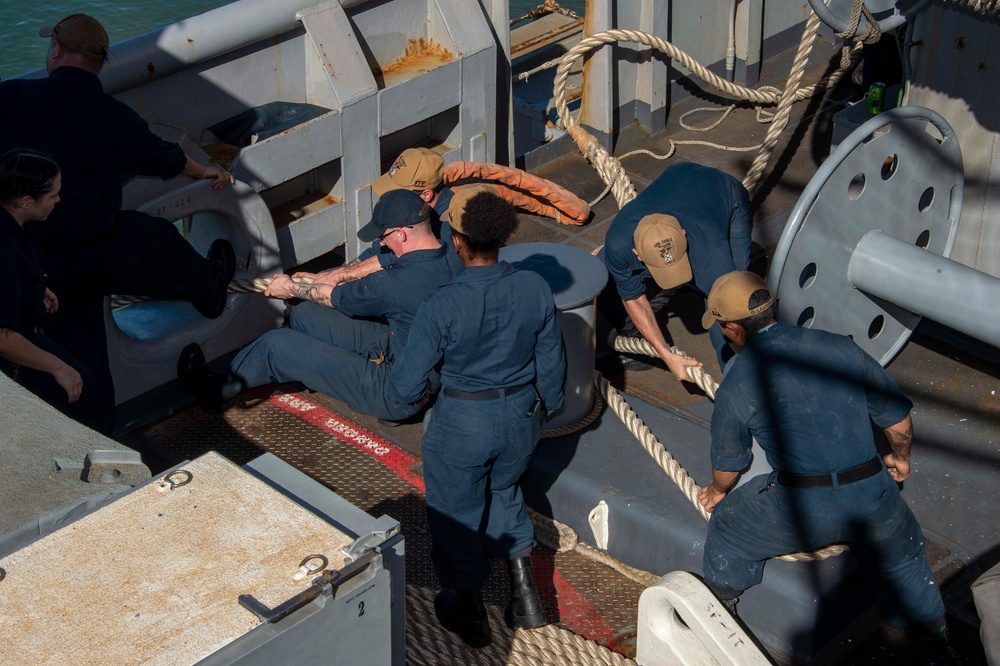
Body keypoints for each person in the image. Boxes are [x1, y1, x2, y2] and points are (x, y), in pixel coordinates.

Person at [697, 271, 952, 665]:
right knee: (905, 556)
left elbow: (730, 465)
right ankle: (934, 641)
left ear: (731, 327)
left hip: (800, 507)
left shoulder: (740, 381)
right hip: (871, 495)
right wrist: (899, 459)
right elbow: (897, 422)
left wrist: (715, 493)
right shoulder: (840, 348)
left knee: (729, 528)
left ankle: (720, 607)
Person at [0, 13, 237, 407]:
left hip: (34, 263)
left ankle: (81, 432)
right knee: (156, 240)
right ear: (101, 63)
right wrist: (206, 169)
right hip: (97, 255)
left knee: (72, 355)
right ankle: (209, 290)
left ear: (56, 50)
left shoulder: (12, 99)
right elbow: (166, 159)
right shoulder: (116, 118)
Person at [388, 187, 566, 648]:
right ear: (502, 238)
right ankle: (526, 597)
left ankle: (468, 613)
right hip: (521, 418)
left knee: (457, 513)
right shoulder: (534, 287)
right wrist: (546, 406)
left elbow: (406, 388)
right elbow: (551, 368)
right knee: (504, 490)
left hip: (462, 425)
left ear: (458, 242)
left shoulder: (442, 303)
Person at [179, 189, 456, 422]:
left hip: (397, 390)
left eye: (383, 237)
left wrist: (289, 287)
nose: (381, 243)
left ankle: (216, 393)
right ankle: (305, 371)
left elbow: (333, 297)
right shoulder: (447, 250)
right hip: (409, 351)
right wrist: (319, 280)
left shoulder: (395, 284)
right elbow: (375, 273)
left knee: (276, 345)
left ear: (402, 234)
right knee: (306, 315)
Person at [598, 161, 752, 380]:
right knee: (603, 278)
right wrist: (665, 353)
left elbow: (733, 316)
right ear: (637, 254)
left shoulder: (711, 254)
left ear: (683, 234)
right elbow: (633, 299)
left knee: (736, 296)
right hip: (678, 179)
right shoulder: (617, 243)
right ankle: (633, 335)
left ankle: (736, 372)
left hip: (726, 193)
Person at [0, 150, 114, 433]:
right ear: (27, 202)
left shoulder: (12, 224)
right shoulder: (5, 252)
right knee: (81, 392)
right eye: (52, 195)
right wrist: (57, 367)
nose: (58, 200)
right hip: (9, 348)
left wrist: (34, 287)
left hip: (21, 327)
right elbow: (2, 336)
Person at [298, 147, 462, 286]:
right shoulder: (412, 213)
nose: (390, 196)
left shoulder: (452, 228)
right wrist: (330, 275)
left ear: (426, 195)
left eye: (398, 191)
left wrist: (342, 277)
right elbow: (379, 250)